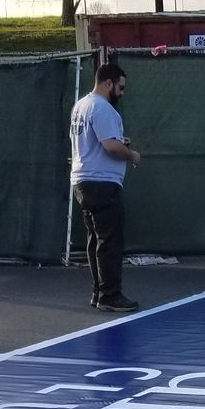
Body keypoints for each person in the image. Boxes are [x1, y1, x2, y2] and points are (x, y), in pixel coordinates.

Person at [70, 59, 143, 312]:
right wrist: (131, 154)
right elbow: (110, 146)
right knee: (109, 241)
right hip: (102, 183)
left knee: (96, 240)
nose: (121, 93)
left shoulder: (81, 105)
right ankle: (110, 295)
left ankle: (98, 292)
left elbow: (101, 140)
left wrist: (120, 141)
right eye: (120, 88)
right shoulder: (102, 108)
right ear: (108, 82)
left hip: (83, 181)